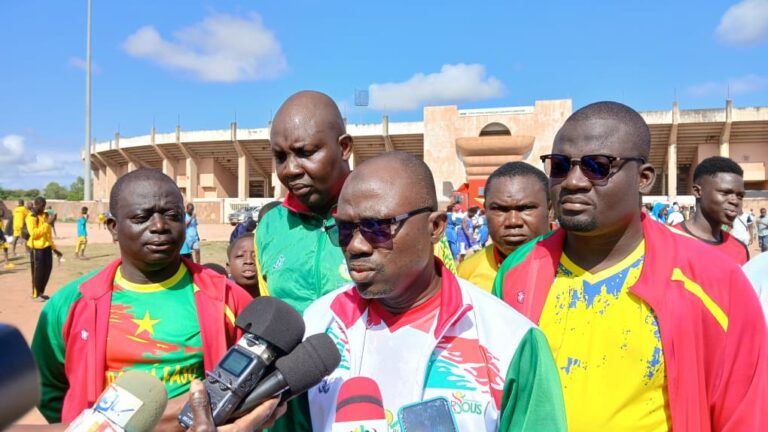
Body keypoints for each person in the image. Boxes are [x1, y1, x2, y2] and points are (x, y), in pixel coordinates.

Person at [493, 101, 768, 431]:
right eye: (561, 165)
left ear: (644, 178)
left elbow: (745, 414)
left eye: (598, 166)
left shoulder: (715, 280)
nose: (573, 182)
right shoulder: (516, 273)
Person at [300, 152, 566, 431]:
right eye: (344, 230)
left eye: (377, 228)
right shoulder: (317, 325)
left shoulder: (510, 339)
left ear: (436, 227)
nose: (356, 246)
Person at [31, 168, 254, 427]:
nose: (159, 226)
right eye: (141, 217)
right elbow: (45, 384)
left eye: (172, 215)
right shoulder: (72, 302)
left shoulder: (228, 297)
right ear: (113, 228)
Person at [255, 90, 355, 314]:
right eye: (280, 157)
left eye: (306, 153)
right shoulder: (269, 227)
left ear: (344, 148)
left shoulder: (390, 216)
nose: (290, 170)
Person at [458, 162, 551, 292]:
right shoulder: (465, 277)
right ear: (485, 210)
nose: (513, 221)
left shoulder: (578, 268)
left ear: (550, 210)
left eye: (525, 208)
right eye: (500, 209)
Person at [672, 156, 750, 265]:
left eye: (740, 196)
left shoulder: (739, 250)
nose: (735, 201)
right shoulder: (667, 241)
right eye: (725, 193)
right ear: (697, 191)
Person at [26, 197, 63, 302]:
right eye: (42, 206)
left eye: (44, 205)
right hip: (37, 249)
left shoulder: (43, 215)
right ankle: (35, 294)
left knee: (47, 271)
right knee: (38, 272)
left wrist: (55, 249)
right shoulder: (31, 217)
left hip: (47, 248)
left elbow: (48, 236)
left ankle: (41, 293)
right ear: (36, 205)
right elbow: (34, 234)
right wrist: (47, 224)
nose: (43, 208)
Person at [227, 233, 259, 297]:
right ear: (228, 267)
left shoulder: (278, 296)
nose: (249, 261)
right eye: (240, 256)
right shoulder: (221, 298)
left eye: (256, 256)